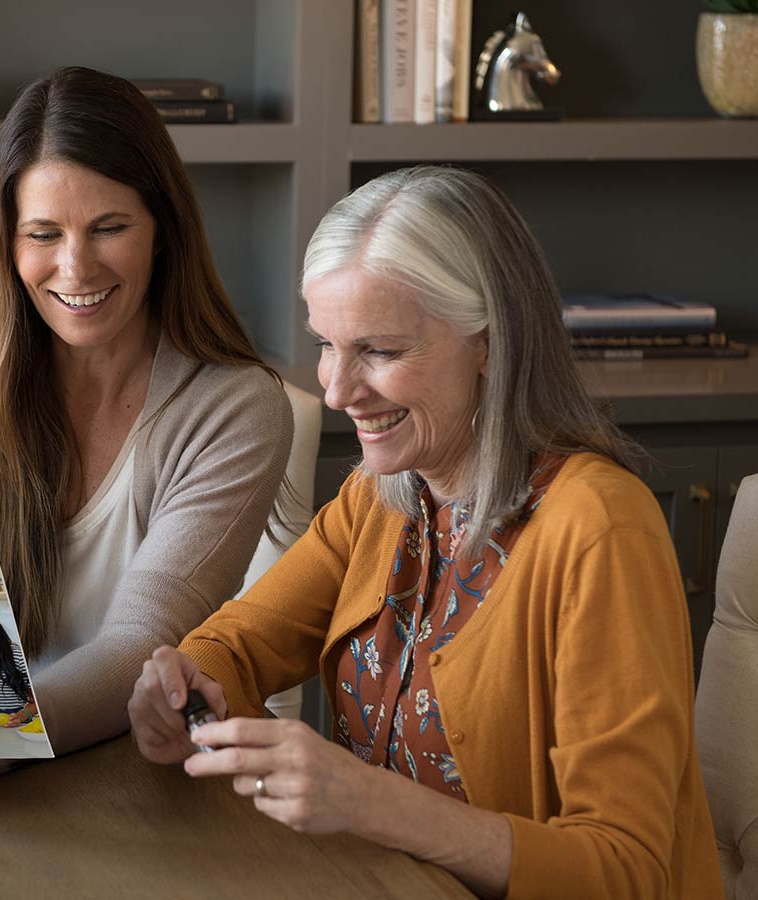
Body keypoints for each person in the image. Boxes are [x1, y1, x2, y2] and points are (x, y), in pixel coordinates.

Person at [128, 166, 722, 899]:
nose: (337, 391)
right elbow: (238, 645)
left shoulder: (601, 530)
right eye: (326, 344)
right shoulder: (380, 498)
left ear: (490, 345)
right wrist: (184, 684)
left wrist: (373, 804)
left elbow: (629, 872)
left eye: (378, 350)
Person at [0, 66, 294, 801]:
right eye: (43, 234)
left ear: (163, 232)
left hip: (148, 780)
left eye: (110, 227)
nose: (75, 267)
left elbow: (139, 646)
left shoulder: (236, 408)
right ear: (7, 242)